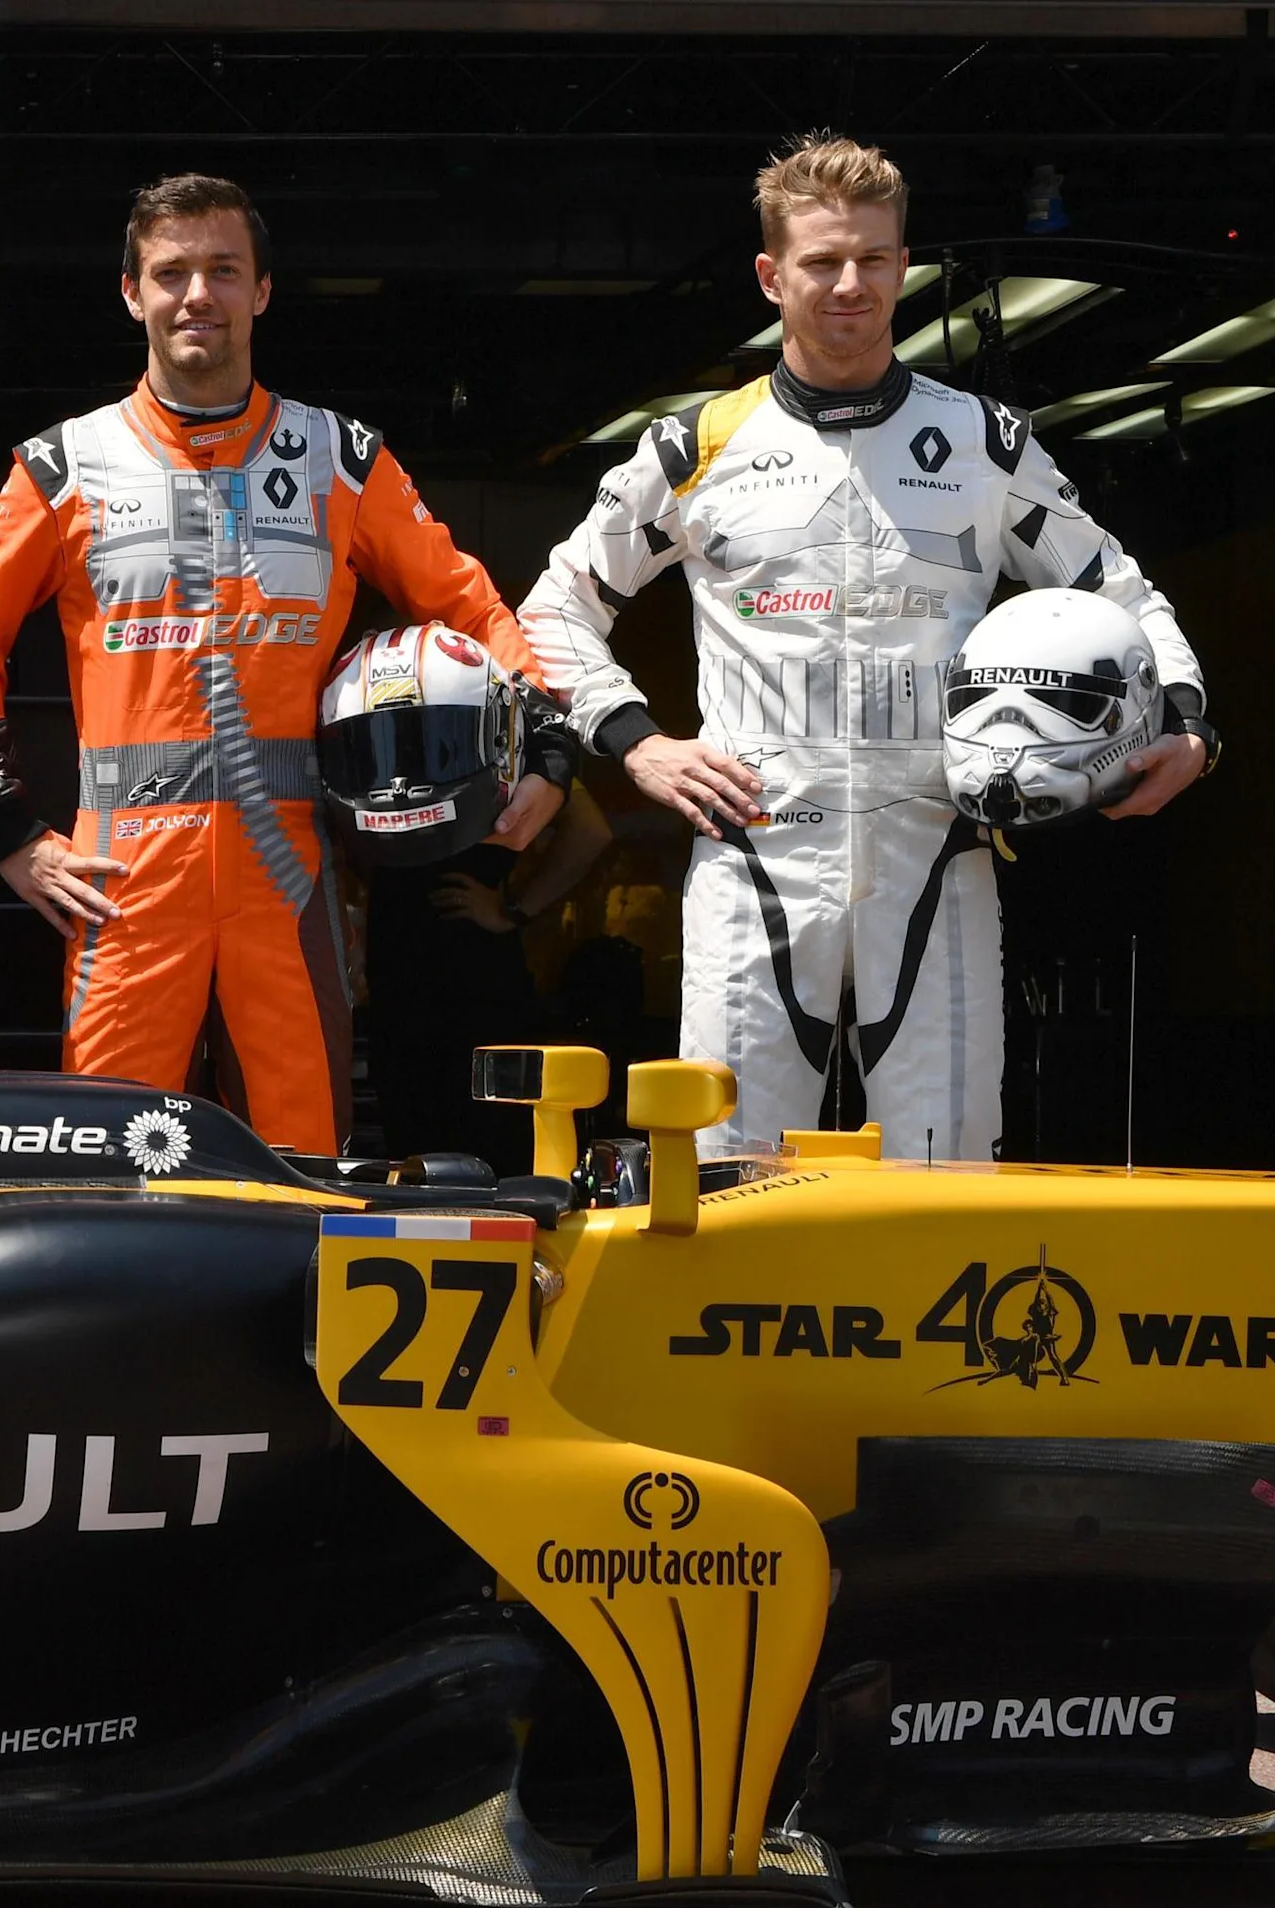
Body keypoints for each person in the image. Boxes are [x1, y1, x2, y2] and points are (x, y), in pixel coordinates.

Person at [518, 134, 1215, 1161]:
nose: (849, 283)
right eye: (820, 261)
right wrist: (635, 743)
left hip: (933, 852)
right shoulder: (695, 444)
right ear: (770, 275)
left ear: (901, 264)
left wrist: (1189, 724)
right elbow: (553, 605)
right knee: (725, 1181)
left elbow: (1117, 589)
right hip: (754, 850)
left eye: (874, 259)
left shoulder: (982, 443)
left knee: (943, 1178)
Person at [0, 173, 561, 1156]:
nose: (197, 295)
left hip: (288, 878)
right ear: (130, 293)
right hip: (122, 880)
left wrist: (545, 742)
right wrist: (6, 827)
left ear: (261, 291)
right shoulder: (62, 465)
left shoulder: (340, 459)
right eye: (170, 272)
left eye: (221, 270)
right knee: (111, 1172)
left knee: (302, 1166)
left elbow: (466, 600)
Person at [365, 782, 614, 1168]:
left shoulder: (512, 738)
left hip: (473, 975)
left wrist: (513, 910)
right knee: (410, 1137)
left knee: (489, 1137)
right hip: (396, 976)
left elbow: (590, 829)